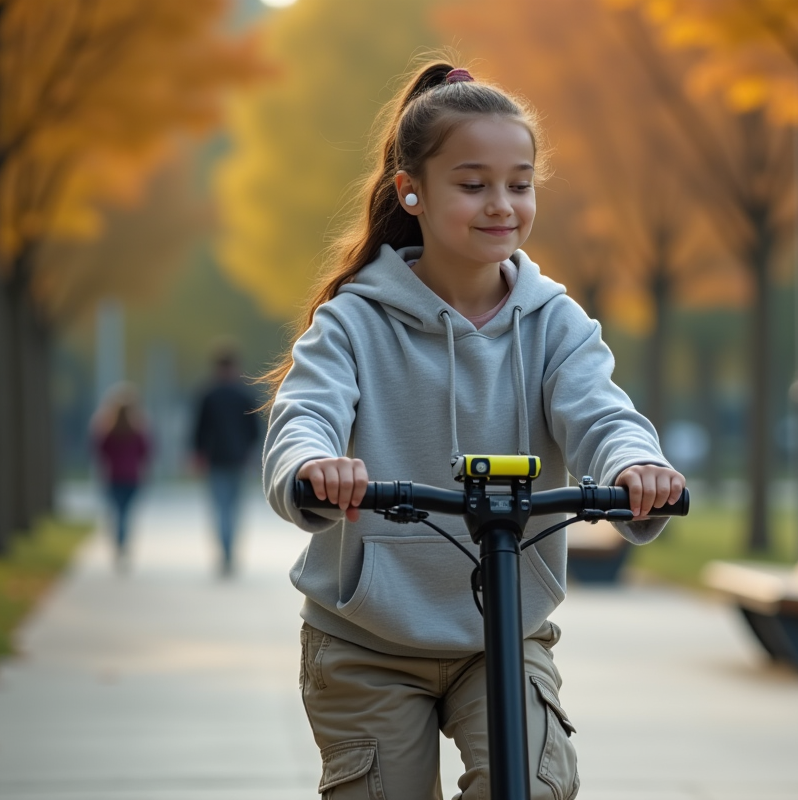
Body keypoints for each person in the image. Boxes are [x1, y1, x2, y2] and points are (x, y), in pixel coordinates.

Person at [261, 60, 685, 800]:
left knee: (532, 785)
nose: (501, 205)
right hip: (365, 639)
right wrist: (317, 465)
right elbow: (307, 414)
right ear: (411, 191)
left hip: (504, 634)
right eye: (473, 183)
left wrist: (634, 466)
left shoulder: (553, 323)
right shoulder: (354, 321)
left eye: (519, 183)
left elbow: (602, 412)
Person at [192, 346, 259, 576]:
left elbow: (199, 430)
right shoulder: (244, 395)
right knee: (233, 510)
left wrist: (198, 454)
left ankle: (226, 553)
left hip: (217, 459)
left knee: (221, 509)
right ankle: (229, 553)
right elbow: (254, 431)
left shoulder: (208, 395)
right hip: (237, 460)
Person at [91, 385, 151, 572]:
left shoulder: (107, 429)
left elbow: (100, 450)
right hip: (132, 477)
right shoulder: (138, 429)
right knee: (126, 513)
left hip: (113, 476)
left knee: (117, 513)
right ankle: (123, 543)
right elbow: (146, 451)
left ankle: (119, 543)